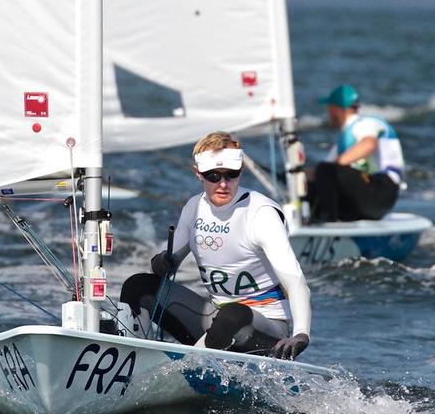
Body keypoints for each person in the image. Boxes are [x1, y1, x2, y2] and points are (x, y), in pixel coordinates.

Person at [119, 131, 311, 360]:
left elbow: (296, 281)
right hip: (216, 321)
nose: (223, 184)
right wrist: (162, 262)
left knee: (232, 315)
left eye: (231, 175)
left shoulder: (261, 214)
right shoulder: (193, 208)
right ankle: (127, 358)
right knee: (138, 285)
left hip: (265, 331)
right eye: (213, 176)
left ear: (241, 171)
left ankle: (185, 368)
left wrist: (301, 334)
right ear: (198, 173)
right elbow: (167, 264)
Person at [307, 84, 405, 222]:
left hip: (382, 192)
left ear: (337, 109)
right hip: (366, 195)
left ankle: (328, 220)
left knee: (327, 171)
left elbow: (369, 144)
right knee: (317, 179)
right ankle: (315, 219)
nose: (328, 112)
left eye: (329, 108)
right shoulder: (344, 139)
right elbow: (320, 173)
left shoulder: (365, 123)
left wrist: (336, 167)